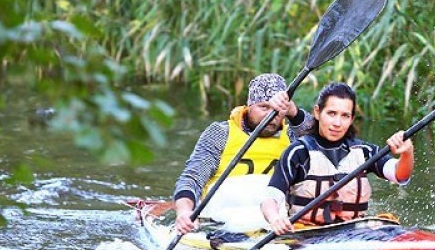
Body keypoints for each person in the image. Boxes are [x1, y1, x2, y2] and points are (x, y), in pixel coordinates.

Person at [261, 82, 414, 235]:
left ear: (352, 118)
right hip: (306, 235)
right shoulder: (298, 152)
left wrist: (407, 152)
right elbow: (270, 198)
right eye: (331, 113)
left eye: (345, 116)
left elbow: (400, 175)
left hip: (355, 232)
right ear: (317, 112)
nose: (337, 123)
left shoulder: (364, 152)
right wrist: (275, 219)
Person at [173, 73, 312, 234]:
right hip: (221, 220)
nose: (270, 116)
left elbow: (321, 140)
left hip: (275, 219)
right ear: (249, 106)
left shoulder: (292, 137)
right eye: (264, 107)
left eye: (277, 110)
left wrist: (295, 114)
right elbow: (192, 178)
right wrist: (184, 212)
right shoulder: (221, 133)